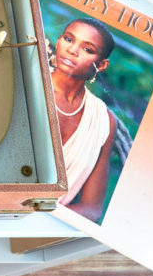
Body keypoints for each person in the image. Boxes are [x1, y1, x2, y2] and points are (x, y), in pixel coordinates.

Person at [50, 18, 117, 223]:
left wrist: (40, 219)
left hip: (52, 223)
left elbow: (92, 208)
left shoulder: (104, 120)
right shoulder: (27, 84)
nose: (72, 50)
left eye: (87, 49)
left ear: (102, 65)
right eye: (68, 39)